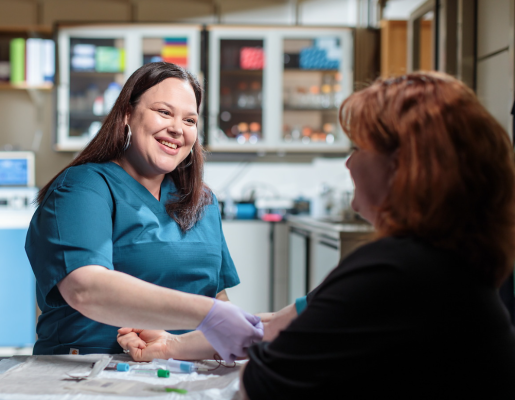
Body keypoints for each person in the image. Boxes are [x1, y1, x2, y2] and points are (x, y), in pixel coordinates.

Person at [118, 72, 515, 398]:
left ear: (403, 168)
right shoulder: (450, 260)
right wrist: (172, 346)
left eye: (360, 147)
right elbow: (281, 322)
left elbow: (264, 384)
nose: (348, 162)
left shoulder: (395, 270)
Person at [25, 62, 262, 361]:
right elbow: (85, 288)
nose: (177, 128)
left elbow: (218, 306)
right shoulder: (82, 188)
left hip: (186, 372)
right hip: (88, 372)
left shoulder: (201, 200)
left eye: (190, 120)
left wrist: (219, 331)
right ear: (127, 114)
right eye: (164, 112)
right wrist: (209, 314)